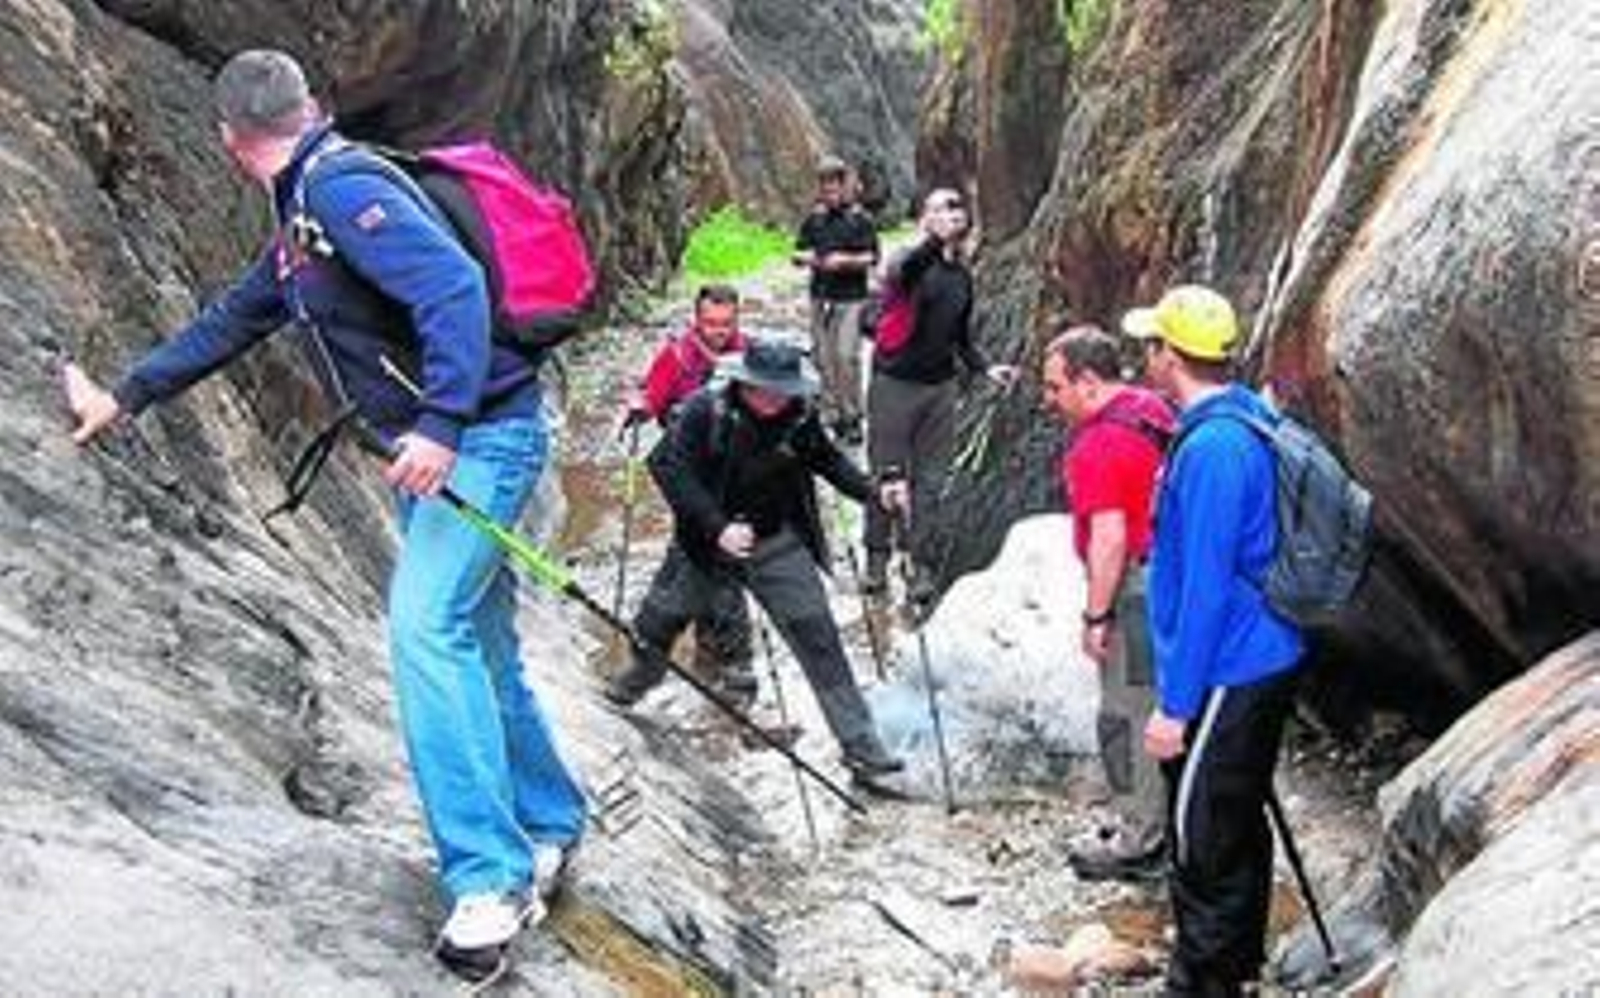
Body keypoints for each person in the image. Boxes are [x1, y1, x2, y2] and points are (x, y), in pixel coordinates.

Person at [60, 49, 585, 979]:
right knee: (480, 638)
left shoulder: (341, 195)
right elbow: (235, 317)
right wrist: (127, 395)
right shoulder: (307, 213)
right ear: (308, 108)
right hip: (475, 438)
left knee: (425, 631)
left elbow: (454, 290)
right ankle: (547, 822)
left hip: (483, 442)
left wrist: (439, 423)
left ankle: (492, 881)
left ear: (229, 139)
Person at [605, 337, 906, 780]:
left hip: (775, 541)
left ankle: (863, 749)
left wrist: (875, 492)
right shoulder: (703, 412)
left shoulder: (799, 416)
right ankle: (633, 685)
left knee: (820, 641)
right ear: (743, 382)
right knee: (658, 624)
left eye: (781, 390)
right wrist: (717, 528)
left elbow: (828, 462)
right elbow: (668, 468)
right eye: (763, 389)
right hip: (704, 546)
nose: (772, 399)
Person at [1122, 285, 1306, 997]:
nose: (1147, 355)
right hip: (1258, 653)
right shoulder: (1241, 417)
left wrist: (1174, 706)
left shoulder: (1216, 449)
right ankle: (1237, 969)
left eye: (1152, 345)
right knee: (1234, 817)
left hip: (1233, 663)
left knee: (1201, 837)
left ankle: (1202, 981)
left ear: (1171, 354)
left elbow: (1205, 586)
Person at [1040, 325, 1176, 883]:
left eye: (1054, 388)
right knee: (1164, 702)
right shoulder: (1152, 409)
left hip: (1135, 589)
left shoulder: (1098, 444)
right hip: (1171, 578)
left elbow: (1110, 538)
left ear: (1088, 381)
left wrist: (1096, 616)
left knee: (1127, 712)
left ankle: (1139, 840)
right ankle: (1164, 822)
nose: (1047, 400)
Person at [861, 187, 1012, 596]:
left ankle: (919, 562)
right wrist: (933, 237)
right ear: (924, 219)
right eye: (939, 209)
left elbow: (960, 337)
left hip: (940, 389)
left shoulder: (961, 277)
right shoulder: (907, 265)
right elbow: (904, 272)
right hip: (894, 384)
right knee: (885, 473)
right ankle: (876, 558)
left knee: (930, 482)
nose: (950, 214)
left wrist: (984, 368)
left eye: (956, 207)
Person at [622, 283, 755, 704]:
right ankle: (727, 665)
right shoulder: (676, 357)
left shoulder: (750, 355)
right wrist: (638, 408)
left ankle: (666, 662)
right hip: (687, 480)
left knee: (712, 561)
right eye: (710, 323)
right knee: (708, 559)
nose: (718, 332)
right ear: (696, 319)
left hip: (736, 479)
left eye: (726, 324)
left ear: (737, 320)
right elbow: (651, 399)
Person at [793, 155, 879, 445]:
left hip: (851, 298)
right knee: (823, 357)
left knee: (846, 356)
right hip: (820, 298)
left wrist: (846, 260)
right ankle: (832, 416)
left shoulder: (861, 220)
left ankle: (853, 415)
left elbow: (872, 256)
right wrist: (811, 258)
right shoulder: (814, 220)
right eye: (825, 188)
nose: (830, 194)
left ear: (845, 186)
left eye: (835, 187)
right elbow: (797, 253)